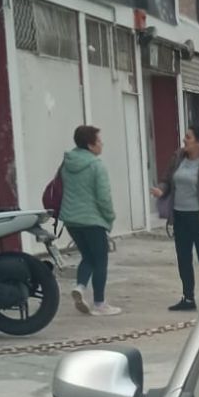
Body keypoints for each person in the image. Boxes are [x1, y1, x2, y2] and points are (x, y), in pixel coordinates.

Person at [154, 124, 199, 310]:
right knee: (183, 258)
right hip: (179, 217)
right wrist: (161, 190)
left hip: (198, 217)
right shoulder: (178, 157)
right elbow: (166, 180)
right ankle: (188, 299)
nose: (184, 140)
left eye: (188, 137)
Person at [60, 123, 118, 316]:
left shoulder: (67, 163)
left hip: (71, 221)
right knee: (100, 260)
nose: (102, 144)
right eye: (99, 141)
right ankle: (100, 304)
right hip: (93, 221)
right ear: (90, 145)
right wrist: (110, 217)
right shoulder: (96, 165)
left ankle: (80, 286)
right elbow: (103, 198)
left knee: (87, 257)